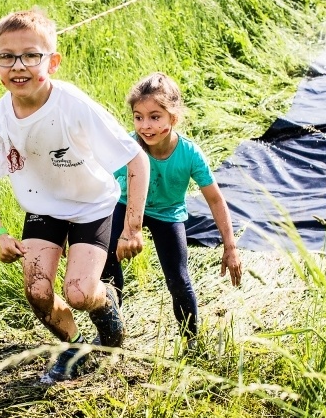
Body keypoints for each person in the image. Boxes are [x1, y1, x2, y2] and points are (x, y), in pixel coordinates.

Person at [0, 9, 150, 384]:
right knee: (37, 292)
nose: (18, 66)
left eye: (31, 56)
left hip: (92, 206)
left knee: (80, 292)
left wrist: (132, 227)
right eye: (7, 56)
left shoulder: (73, 105)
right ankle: (74, 346)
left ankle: (110, 320)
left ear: (52, 62)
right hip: (43, 209)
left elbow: (137, 160)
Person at [100, 72, 242, 353]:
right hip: (125, 206)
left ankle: (191, 341)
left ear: (173, 117)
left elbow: (214, 199)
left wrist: (230, 246)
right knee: (105, 259)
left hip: (168, 214)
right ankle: (112, 329)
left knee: (178, 278)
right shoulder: (127, 147)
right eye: (138, 117)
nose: (145, 125)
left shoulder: (189, 154)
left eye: (155, 117)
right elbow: (99, 185)